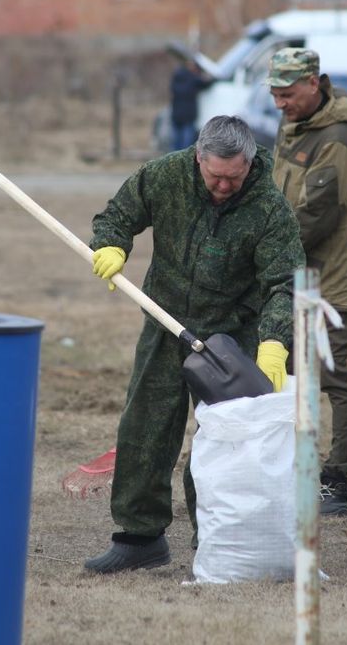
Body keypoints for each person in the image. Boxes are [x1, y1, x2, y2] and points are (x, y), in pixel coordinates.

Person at [84, 115, 304, 574]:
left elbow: (284, 283)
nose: (223, 186)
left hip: (231, 336)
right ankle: (139, 537)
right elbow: (118, 215)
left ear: (249, 164)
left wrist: (273, 342)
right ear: (199, 158)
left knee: (226, 438)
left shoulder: (269, 208)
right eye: (215, 176)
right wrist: (111, 245)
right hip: (166, 321)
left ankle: (218, 539)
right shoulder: (165, 175)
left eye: (233, 178)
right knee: (145, 426)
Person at [265, 47, 347, 517]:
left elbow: (316, 217)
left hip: (332, 286)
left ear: (313, 83)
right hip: (292, 278)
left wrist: (263, 253)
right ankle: (289, 470)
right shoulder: (292, 126)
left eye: (287, 94)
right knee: (284, 375)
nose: (280, 104)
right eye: (274, 95)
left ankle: (339, 482)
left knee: (338, 381)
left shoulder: (340, 137)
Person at [169, 59, 211, 151]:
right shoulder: (193, 79)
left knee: (175, 142)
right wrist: (206, 76)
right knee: (186, 145)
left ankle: (174, 158)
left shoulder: (176, 78)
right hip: (188, 115)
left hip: (176, 114)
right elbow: (207, 83)